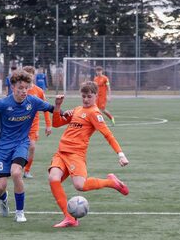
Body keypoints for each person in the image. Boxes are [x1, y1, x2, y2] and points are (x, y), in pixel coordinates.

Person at [0, 70, 56, 223]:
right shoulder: (3, 103)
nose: (24, 91)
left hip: (21, 144)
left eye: (26, 87)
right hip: (2, 148)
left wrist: (70, 114)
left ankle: (20, 212)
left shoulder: (33, 101)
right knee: (0, 187)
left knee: (16, 173)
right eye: (20, 88)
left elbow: (52, 109)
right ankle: (4, 200)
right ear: (13, 87)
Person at [48, 81, 129, 228]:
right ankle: (69, 217)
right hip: (61, 153)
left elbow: (108, 135)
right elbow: (56, 123)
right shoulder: (78, 109)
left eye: (89, 96)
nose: (86, 99)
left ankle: (111, 182)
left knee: (80, 185)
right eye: (83, 96)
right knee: (53, 178)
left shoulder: (95, 113)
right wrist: (58, 106)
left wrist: (120, 154)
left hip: (76, 155)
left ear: (96, 96)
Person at [22, 66, 52, 179]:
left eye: (31, 74)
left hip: (33, 125)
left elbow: (46, 108)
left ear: (33, 76)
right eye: (26, 74)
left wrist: (48, 125)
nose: (29, 76)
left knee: (32, 147)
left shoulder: (39, 91)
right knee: (17, 148)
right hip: (19, 125)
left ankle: (27, 171)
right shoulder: (20, 90)